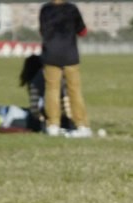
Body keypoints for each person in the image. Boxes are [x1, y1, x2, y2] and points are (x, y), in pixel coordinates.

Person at [39, 0, 91, 137]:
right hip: (70, 55)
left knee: (51, 90)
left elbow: (42, 31)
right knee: (74, 90)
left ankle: (53, 125)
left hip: (50, 54)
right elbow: (83, 31)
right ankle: (81, 125)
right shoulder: (72, 9)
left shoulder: (45, 9)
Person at [18, 54, 74, 133]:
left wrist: (41, 119)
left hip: (50, 120)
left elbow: (35, 108)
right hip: (68, 118)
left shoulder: (35, 82)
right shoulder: (59, 77)